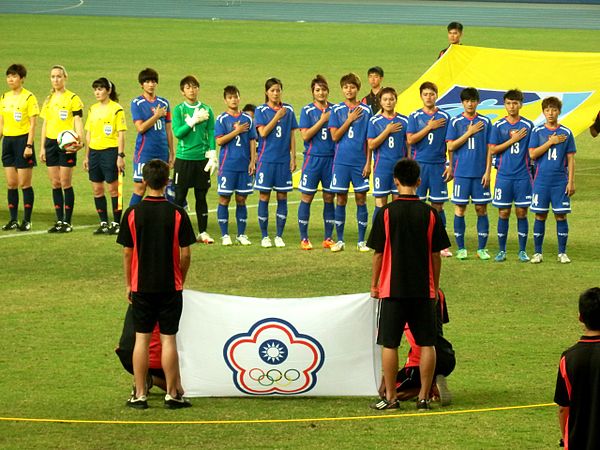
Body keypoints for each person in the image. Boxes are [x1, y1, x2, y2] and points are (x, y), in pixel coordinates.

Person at [367, 158, 451, 411]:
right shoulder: (430, 214)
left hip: (392, 289)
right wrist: (434, 287)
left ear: (395, 180)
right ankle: (423, 398)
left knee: (390, 343)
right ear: (418, 181)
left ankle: (390, 398)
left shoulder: (386, 213)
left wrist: (374, 285)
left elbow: (379, 254)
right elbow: (437, 255)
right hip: (423, 291)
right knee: (427, 343)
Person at [117, 158, 196, 409]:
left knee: (141, 338)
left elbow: (128, 253)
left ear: (144, 181)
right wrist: (180, 277)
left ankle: (139, 393)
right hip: (170, 286)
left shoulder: (132, 213)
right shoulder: (177, 213)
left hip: (141, 285)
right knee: (168, 339)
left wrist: (129, 283)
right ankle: (173, 393)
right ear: (167, 181)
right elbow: (186, 254)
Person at [378, 289, 455, 406]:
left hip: (420, 362)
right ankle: (428, 388)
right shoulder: (438, 292)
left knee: (387, 388)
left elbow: (390, 339)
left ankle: (429, 389)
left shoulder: (394, 296)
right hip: (447, 355)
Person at [446, 87, 492, 260]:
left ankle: (482, 249)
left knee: (481, 209)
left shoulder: (486, 122)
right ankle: (461, 248)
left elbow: (490, 149)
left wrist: (488, 171)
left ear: (477, 102)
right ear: (462, 103)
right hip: (462, 173)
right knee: (460, 209)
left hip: (480, 174)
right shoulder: (456, 122)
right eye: (467, 101)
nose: (470, 104)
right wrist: (469, 132)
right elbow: (450, 146)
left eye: (473, 101)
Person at [407, 81, 452, 257]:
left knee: (438, 206)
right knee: (417, 205)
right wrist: (429, 127)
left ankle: (441, 244)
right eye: (425, 94)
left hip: (438, 166)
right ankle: (417, 242)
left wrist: (450, 166)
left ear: (436, 95)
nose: (429, 97)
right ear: (421, 96)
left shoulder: (446, 117)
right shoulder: (415, 116)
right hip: (420, 166)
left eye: (432, 94)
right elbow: (410, 140)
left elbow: (450, 145)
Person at [528, 96, 576, 264]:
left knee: (561, 216)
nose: (550, 113)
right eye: (547, 110)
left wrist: (571, 182)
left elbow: (571, 159)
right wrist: (551, 142)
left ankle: (562, 253)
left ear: (559, 112)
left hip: (560, 182)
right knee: (540, 216)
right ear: (543, 112)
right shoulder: (537, 131)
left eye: (553, 110)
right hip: (541, 181)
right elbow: (532, 154)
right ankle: (537, 253)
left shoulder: (567, 132)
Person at [489, 89, 534, 262]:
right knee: (503, 213)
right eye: (508, 103)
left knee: (522, 212)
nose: (512, 106)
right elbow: (493, 149)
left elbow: (532, 151)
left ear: (521, 104)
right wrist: (512, 140)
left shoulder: (528, 126)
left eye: (515, 103)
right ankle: (502, 250)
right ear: (504, 104)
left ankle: (522, 251)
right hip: (504, 176)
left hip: (523, 176)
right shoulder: (499, 125)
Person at [329, 72, 372, 252]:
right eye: (346, 87)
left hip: (360, 162)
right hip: (341, 162)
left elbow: (370, 140)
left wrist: (368, 163)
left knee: (361, 198)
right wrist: (349, 120)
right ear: (342, 89)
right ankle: (340, 240)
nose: (349, 90)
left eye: (352, 87)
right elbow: (335, 136)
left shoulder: (367, 111)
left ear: (358, 89)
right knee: (341, 198)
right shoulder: (337, 110)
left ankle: (362, 241)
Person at [172, 75, 216, 244]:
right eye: (188, 87)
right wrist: (192, 121)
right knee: (179, 197)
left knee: (201, 196)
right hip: (183, 158)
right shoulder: (179, 110)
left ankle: (203, 232)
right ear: (183, 91)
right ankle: (175, 231)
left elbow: (211, 132)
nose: (192, 90)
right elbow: (178, 133)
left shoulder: (207, 109)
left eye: (194, 87)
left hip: (201, 159)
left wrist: (213, 153)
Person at [254, 77, 298, 248]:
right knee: (264, 196)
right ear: (266, 92)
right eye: (272, 90)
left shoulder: (289, 110)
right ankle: (265, 236)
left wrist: (293, 157)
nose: (275, 93)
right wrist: (277, 116)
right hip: (266, 160)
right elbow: (263, 132)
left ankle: (279, 235)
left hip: (283, 161)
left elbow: (292, 135)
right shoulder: (260, 110)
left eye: (278, 90)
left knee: (282, 196)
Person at [39, 65, 84, 233]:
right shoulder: (48, 100)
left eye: (59, 76)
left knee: (65, 182)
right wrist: (42, 147)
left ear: (65, 77)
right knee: (55, 183)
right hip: (51, 143)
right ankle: (59, 220)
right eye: (53, 76)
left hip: (66, 144)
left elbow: (78, 120)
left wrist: (80, 141)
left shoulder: (73, 98)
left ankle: (67, 221)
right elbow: (45, 124)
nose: (56, 79)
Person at [555, 287, 600, 449]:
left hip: (577, 441)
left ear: (580, 317)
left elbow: (563, 408)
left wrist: (565, 439)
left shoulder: (568, 357)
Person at [214, 85, 257, 246]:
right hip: (227, 166)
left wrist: (253, 161)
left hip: (244, 166)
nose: (233, 100)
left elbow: (252, 140)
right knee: (224, 198)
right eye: (230, 97)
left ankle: (241, 234)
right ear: (225, 100)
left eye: (236, 97)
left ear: (239, 98)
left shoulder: (248, 119)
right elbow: (219, 141)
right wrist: (236, 131)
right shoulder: (221, 119)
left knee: (241, 199)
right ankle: (225, 234)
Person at [83, 77, 126, 235]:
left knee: (114, 190)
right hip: (94, 153)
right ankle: (103, 222)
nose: (97, 92)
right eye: (95, 89)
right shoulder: (92, 109)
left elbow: (121, 134)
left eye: (100, 89)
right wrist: (87, 156)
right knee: (97, 189)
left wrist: (120, 155)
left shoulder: (116, 109)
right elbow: (89, 134)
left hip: (110, 152)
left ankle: (116, 223)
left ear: (108, 90)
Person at [297, 75, 335, 250]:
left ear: (328, 91)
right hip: (312, 160)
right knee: (307, 197)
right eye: (317, 90)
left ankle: (328, 237)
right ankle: (304, 238)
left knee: (329, 197)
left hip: (332, 160)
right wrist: (322, 120)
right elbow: (305, 135)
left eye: (324, 89)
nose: (321, 93)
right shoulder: (307, 110)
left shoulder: (336, 109)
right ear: (312, 92)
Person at [0, 64, 39, 231]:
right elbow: (1, 123)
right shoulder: (4, 97)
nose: (10, 79)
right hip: (7, 141)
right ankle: (13, 219)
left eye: (14, 76)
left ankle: (27, 220)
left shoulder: (29, 98)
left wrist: (29, 145)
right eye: (9, 76)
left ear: (22, 78)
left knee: (24, 183)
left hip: (23, 141)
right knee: (11, 183)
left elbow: (32, 125)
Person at [129, 68, 174, 207]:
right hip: (144, 152)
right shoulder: (136, 103)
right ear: (142, 84)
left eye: (153, 81)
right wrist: (156, 115)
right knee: (140, 187)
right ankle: (130, 219)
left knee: (162, 188)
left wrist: (172, 152)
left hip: (162, 152)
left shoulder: (164, 103)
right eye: (147, 81)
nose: (151, 84)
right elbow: (140, 128)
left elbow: (168, 129)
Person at [367, 87, 408, 220]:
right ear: (380, 102)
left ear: (396, 100)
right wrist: (387, 130)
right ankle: (378, 237)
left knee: (398, 206)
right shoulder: (374, 121)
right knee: (380, 206)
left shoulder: (404, 120)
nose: (388, 102)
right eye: (385, 99)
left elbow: (409, 145)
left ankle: (396, 237)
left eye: (391, 99)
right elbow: (371, 145)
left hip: (400, 169)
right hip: (381, 168)